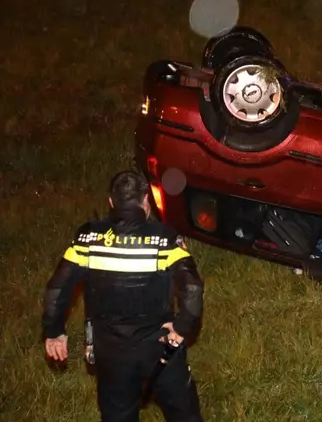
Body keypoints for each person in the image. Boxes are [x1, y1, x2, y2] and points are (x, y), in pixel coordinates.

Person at [42, 171, 204, 421]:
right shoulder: (165, 238)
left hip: (111, 352)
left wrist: (54, 331)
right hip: (161, 347)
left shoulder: (88, 239)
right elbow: (192, 288)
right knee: (183, 413)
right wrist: (181, 328)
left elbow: (57, 288)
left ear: (110, 202)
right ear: (146, 202)